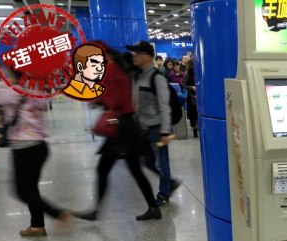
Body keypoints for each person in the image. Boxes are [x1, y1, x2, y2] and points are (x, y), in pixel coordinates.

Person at [76, 46, 161, 222]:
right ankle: (153, 207)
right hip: (127, 125)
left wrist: (100, 101)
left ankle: (96, 211)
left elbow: (117, 100)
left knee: (104, 169)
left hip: (119, 128)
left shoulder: (111, 70)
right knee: (135, 170)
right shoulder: (122, 69)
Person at [0, 68, 71, 236]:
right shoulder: (36, 90)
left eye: (7, 72)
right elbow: (43, 106)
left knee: (22, 192)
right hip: (40, 146)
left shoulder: (11, 92)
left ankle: (58, 214)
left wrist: (0, 84)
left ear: (14, 73)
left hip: (24, 148)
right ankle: (37, 226)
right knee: (31, 189)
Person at [128, 41, 178, 207]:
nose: (134, 56)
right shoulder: (138, 76)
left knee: (162, 164)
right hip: (144, 129)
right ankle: (170, 182)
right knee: (148, 162)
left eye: (137, 54)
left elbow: (164, 107)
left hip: (157, 129)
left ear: (147, 57)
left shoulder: (157, 78)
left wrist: (165, 132)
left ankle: (164, 194)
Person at [184, 59, 198, 138]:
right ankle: (195, 130)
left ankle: (196, 128)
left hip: (197, 95)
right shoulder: (187, 74)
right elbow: (184, 85)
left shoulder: (198, 73)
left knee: (195, 113)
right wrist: (192, 87)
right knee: (193, 113)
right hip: (191, 95)